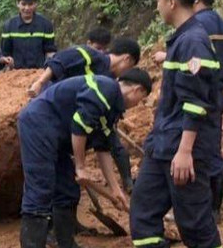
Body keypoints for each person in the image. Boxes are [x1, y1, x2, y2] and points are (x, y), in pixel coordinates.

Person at [130, 0, 222, 248]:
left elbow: (195, 103)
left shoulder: (193, 42)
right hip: (163, 145)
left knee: (194, 225)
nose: (157, 7)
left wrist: (184, 152)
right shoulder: (182, 39)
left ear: (171, 2)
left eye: (158, 0)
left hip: (183, 149)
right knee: (143, 213)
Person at [18, 69, 152, 248]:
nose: (137, 104)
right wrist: (80, 167)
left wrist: (115, 189)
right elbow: (80, 124)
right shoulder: (106, 89)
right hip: (38, 126)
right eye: (141, 99)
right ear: (137, 90)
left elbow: (102, 148)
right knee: (41, 188)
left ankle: (66, 244)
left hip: (57, 137)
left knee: (67, 189)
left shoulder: (112, 106)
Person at [153, 0, 223, 222]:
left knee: (195, 153)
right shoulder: (222, 25)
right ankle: (213, 208)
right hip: (215, 92)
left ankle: (197, 209)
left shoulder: (196, 28)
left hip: (195, 93)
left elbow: (194, 60)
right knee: (211, 149)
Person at [1, 0, 57, 69]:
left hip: (39, 72)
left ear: (36, 4)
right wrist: (8, 61)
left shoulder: (45, 25)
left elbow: (50, 51)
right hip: (16, 72)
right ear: (17, 4)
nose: (27, 8)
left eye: (30, 4)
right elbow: (5, 54)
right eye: (23, 4)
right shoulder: (9, 26)